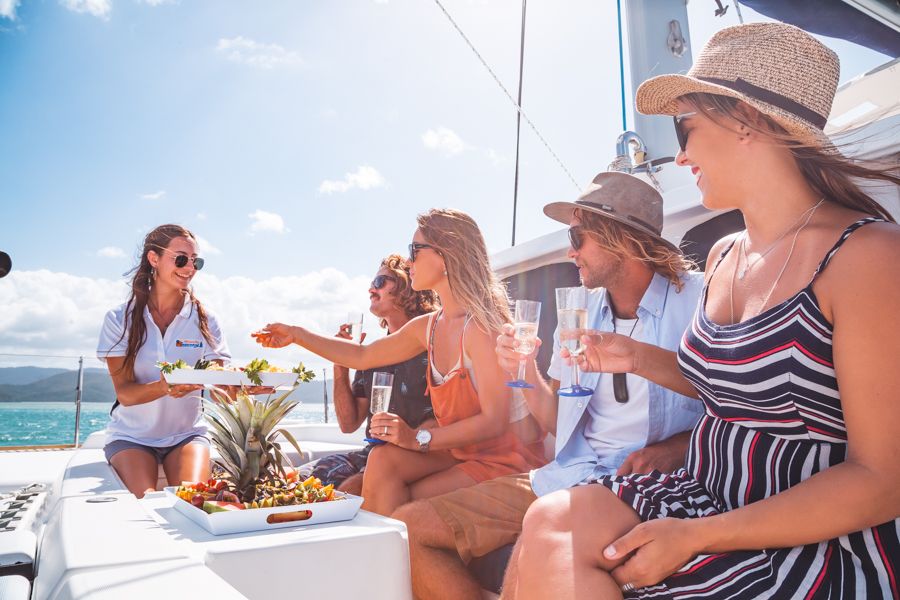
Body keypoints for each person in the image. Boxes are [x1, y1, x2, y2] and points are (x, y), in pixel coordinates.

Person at [514, 23, 900, 599]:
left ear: (746, 121)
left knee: (551, 554)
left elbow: (883, 479)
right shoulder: (723, 255)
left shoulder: (867, 256)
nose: (681, 152)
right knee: (548, 520)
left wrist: (698, 536)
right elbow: (728, 387)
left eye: (685, 127)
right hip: (705, 493)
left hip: (803, 541)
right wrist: (636, 357)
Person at [392, 172, 705, 600]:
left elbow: (735, 399)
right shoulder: (577, 311)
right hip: (569, 472)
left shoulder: (700, 302)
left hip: (635, 483)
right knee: (409, 528)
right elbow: (556, 419)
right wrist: (523, 372)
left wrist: (679, 447)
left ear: (623, 240)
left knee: (537, 541)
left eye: (579, 236)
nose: (570, 250)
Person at [253, 208, 547, 516]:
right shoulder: (431, 326)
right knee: (381, 460)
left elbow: (494, 420)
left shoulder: (480, 327)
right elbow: (362, 355)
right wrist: (296, 334)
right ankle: (382, 552)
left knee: (395, 500)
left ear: (446, 256)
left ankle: (386, 549)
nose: (408, 262)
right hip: (461, 453)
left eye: (415, 250)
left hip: (504, 461)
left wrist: (417, 437)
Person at [97, 224, 231, 498]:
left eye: (196, 261)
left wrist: (240, 387)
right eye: (181, 259)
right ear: (153, 259)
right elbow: (125, 394)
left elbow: (218, 387)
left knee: (193, 499)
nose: (190, 268)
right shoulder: (118, 319)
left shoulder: (206, 320)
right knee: (146, 501)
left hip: (187, 435)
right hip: (131, 437)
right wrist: (165, 387)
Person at [301, 254, 439, 495]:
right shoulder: (372, 356)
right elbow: (348, 423)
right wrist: (340, 365)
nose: (370, 289)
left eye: (379, 282)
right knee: (298, 480)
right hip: (371, 453)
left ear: (406, 287)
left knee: (343, 492)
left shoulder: (434, 348)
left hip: (414, 457)